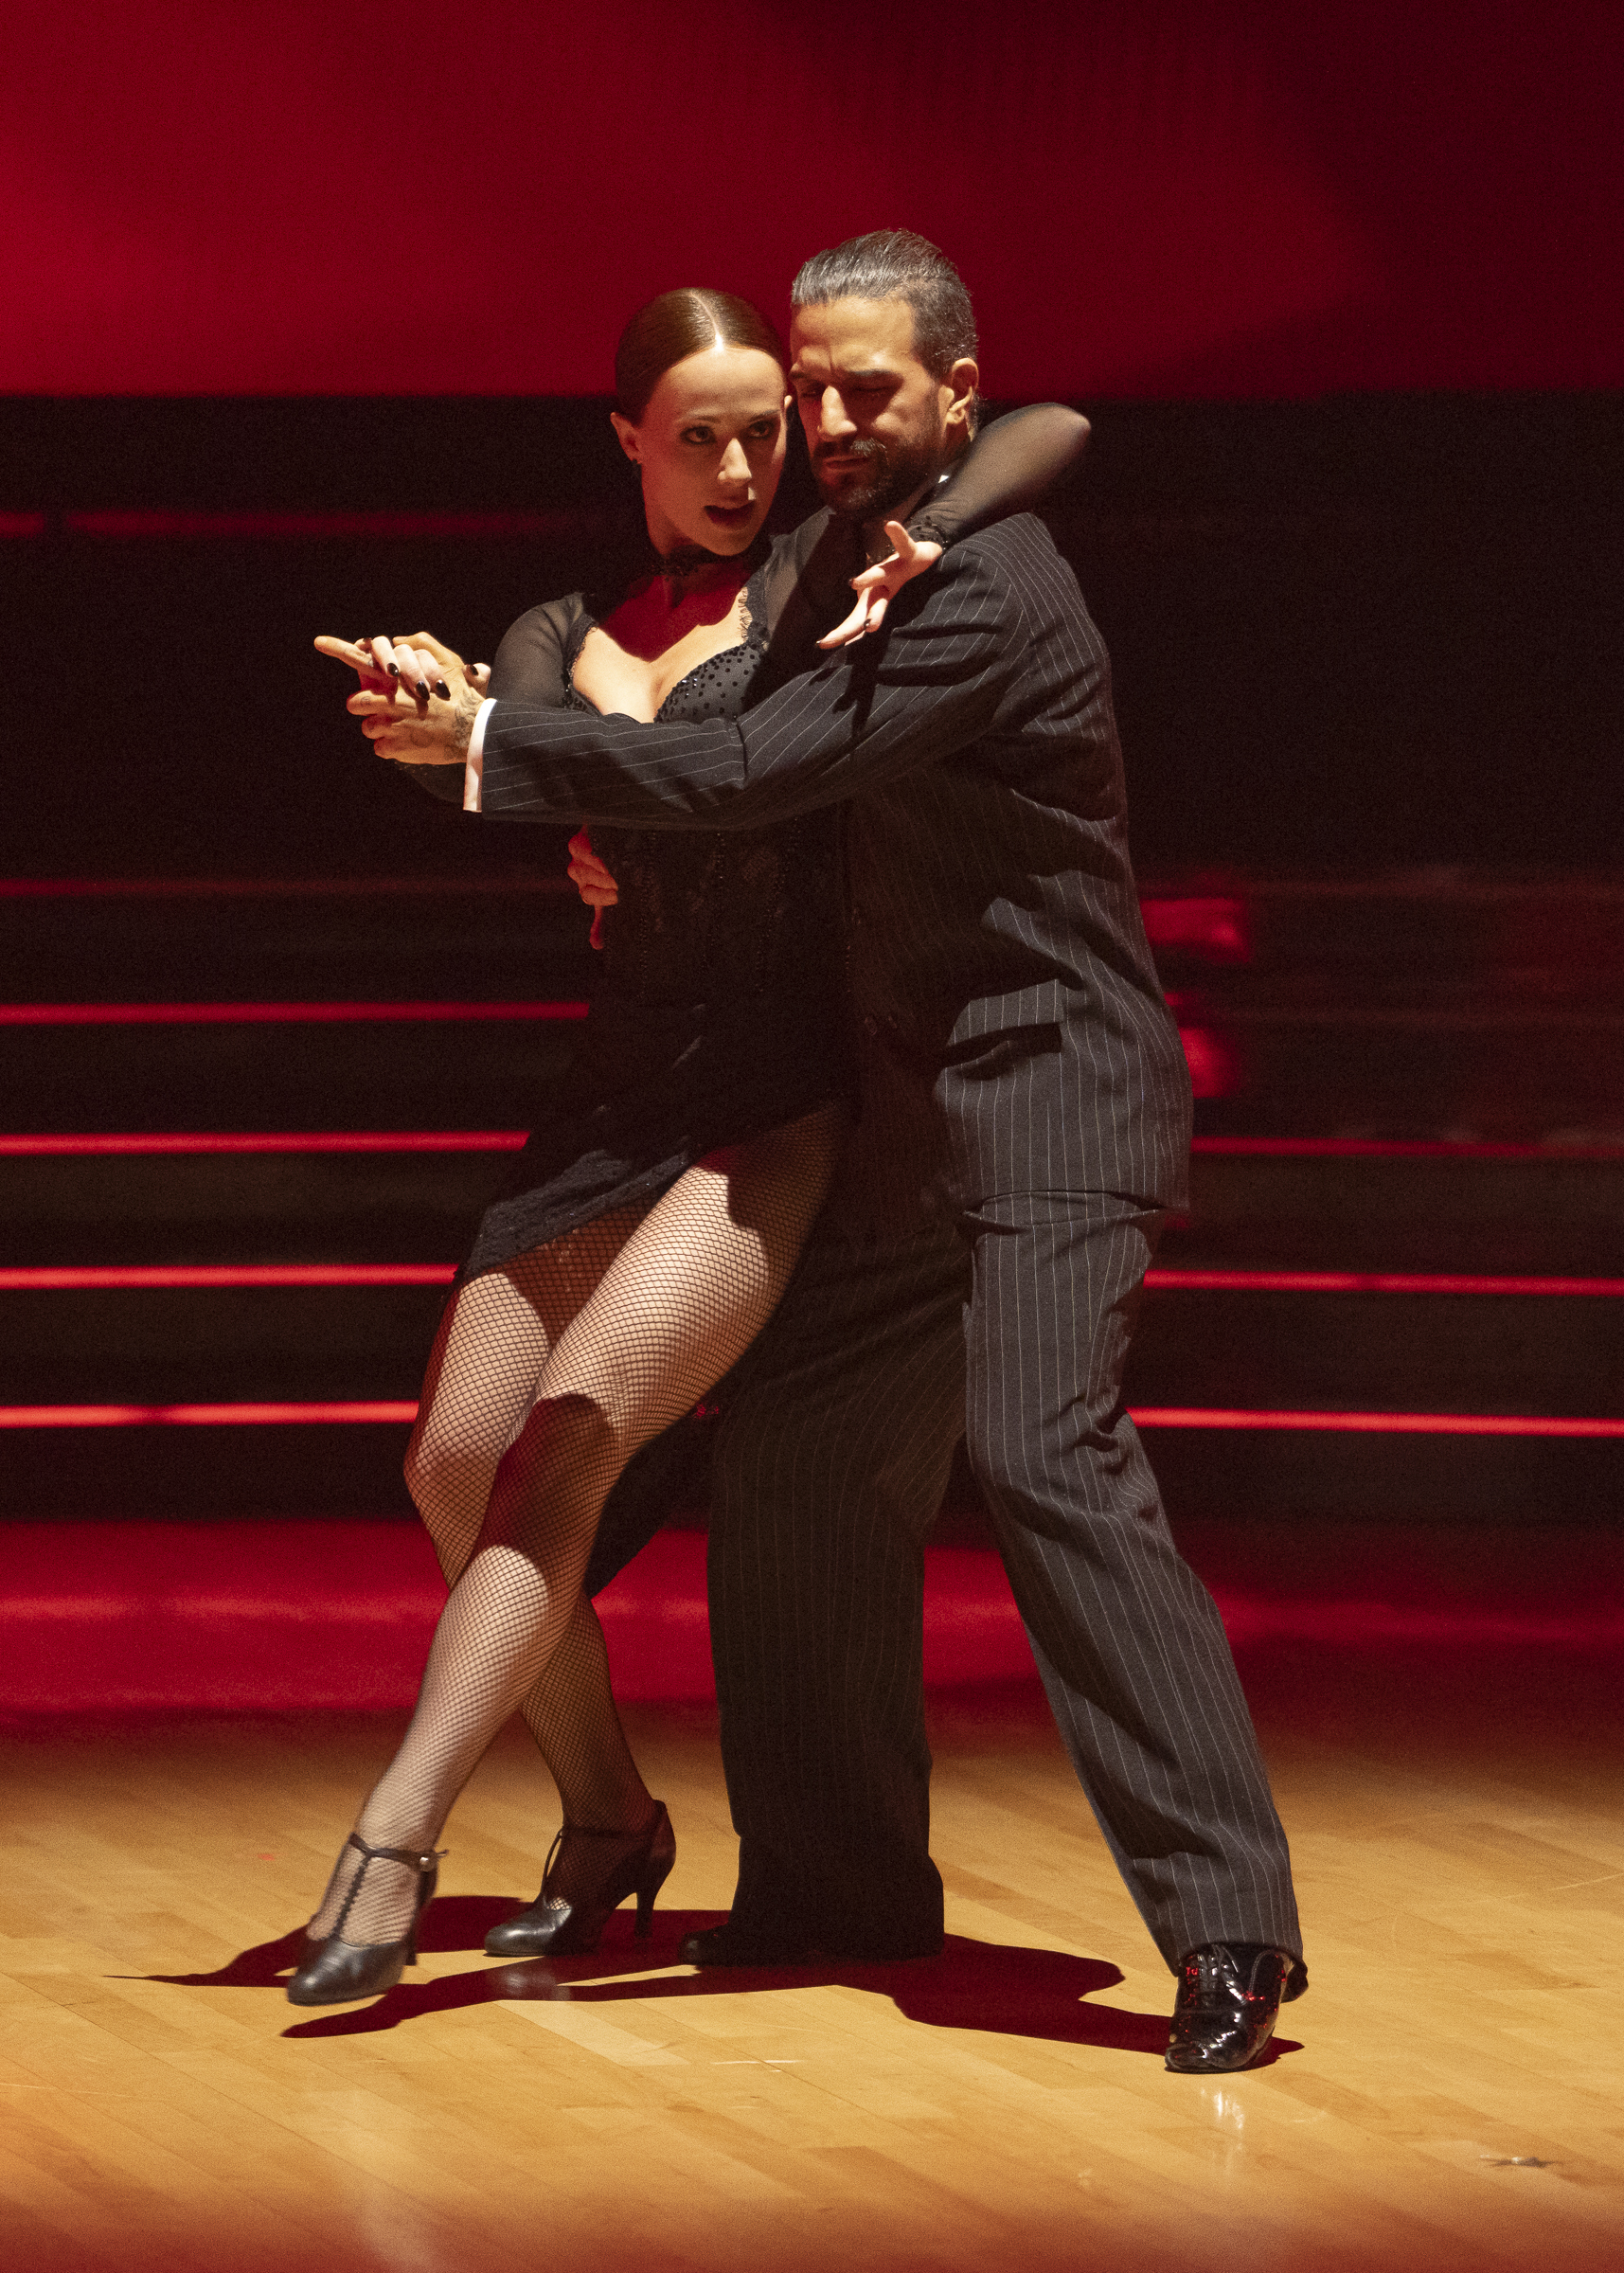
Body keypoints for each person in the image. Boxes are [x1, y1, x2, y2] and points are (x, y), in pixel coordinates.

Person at [350, 230, 1306, 2076]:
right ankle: (834, 1891)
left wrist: (499, 748)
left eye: (875, 385)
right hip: (890, 1119)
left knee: (1043, 1451)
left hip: (1044, 1093)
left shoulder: (975, 587)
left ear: (954, 389)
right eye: (815, 385)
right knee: (794, 1462)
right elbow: (707, 689)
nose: (832, 414)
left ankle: (1232, 1928)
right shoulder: (833, 556)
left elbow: (750, 765)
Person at [289, 283, 1087, 2010]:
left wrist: (921, 525)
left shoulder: (824, 579)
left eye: (763, 429)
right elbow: (495, 770)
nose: (744, 463)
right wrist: (428, 710)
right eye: (703, 434)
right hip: (615, 1093)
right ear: (629, 443)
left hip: (773, 1101)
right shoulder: (555, 623)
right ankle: (605, 1819)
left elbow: (1047, 433)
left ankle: (396, 1831)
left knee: (571, 1437)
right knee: (448, 1464)